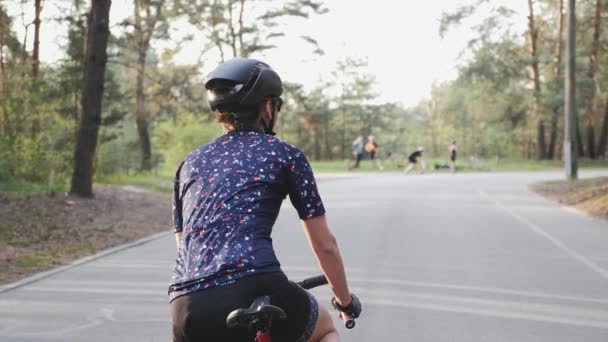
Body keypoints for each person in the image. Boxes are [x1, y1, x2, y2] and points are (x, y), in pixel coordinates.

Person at [168, 58, 361, 342]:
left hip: (186, 304)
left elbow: (185, 245)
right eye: (277, 106)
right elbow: (324, 245)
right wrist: (344, 301)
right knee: (326, 331)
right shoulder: (283, 154)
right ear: (268, 106)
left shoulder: (189, 164)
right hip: (255, 284)